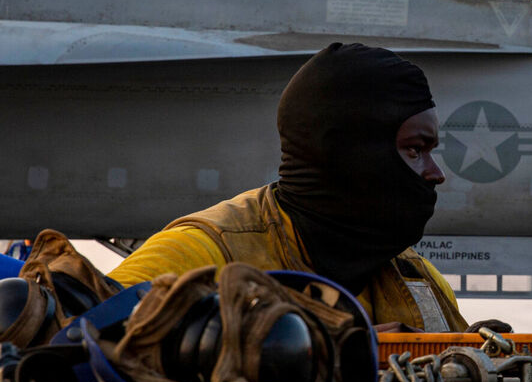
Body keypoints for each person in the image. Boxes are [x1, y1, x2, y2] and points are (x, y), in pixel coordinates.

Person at [109, 43, 472, 332]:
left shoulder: (415, 277)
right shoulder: (202, 255)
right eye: (414, 149)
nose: (436, 173)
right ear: (350, 153)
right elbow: (71, 345)